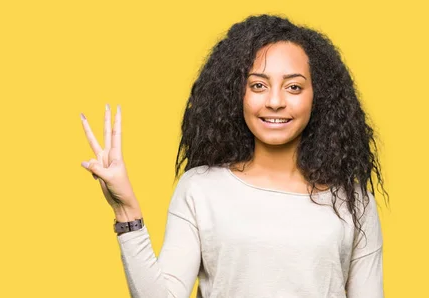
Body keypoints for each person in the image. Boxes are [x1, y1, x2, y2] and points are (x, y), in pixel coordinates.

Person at [79, 14, 387, 298]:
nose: (275, 101)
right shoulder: (200, 189)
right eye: (258, 85)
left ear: (317, 96)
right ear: (236, 94)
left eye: (293, 87)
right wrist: (126, 211)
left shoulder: (354, 203)